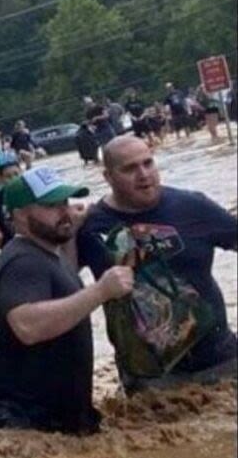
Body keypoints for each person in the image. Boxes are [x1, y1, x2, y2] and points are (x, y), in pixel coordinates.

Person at [76, 137, 238, 393]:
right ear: (108, 176)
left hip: (220, 360)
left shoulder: (193, 206)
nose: (143, 175)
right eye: (129, 169)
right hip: (149, 376)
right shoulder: (90, 227)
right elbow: (57, 280)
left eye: (148, 163)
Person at [0, 167, 134, 436]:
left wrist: (71, 228)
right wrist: (100, 291)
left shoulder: (48, 251)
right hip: (26, 421)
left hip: (57, 417)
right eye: (51, 206)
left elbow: (61, 287)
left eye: (64, 202)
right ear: (19, 216)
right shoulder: (22, 261)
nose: (63, 212)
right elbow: (27, 326)